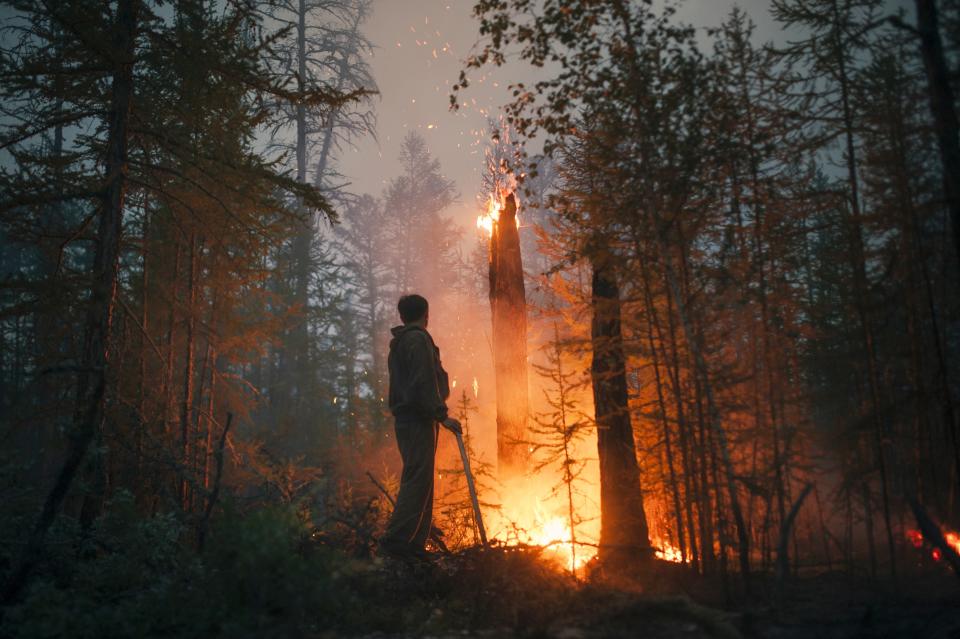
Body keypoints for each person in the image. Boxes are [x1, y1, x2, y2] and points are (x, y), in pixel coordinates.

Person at [379, 294, 462, 560]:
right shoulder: (417, 339)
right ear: (426, 314)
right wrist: (441, 415)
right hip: (417, 419)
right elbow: (423, 382)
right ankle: (397, 543)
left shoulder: (402, 341)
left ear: (402, 316)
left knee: (421, 479)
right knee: (417, 480)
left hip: (410, 419)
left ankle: (414, 545)